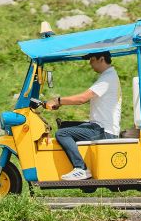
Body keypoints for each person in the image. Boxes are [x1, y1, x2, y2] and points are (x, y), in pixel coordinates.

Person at [46, 51, 121, 181]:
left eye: (92, 59)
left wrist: (58, 101)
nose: (90, 63)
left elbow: (82, 98)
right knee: (64, 126)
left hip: (104, 131)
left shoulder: (107, 79)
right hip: (100, 127)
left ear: (101, 59)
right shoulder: (108, 76)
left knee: (62, 134)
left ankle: (81, 168)